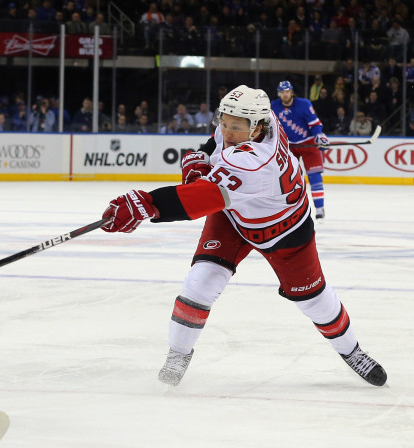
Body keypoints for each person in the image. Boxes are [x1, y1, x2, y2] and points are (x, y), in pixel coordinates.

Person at [100, 85, 387, 389]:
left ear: (257, 127)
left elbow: (197, 198)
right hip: (234, 214)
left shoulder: (253, 162)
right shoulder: (263, 117)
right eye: (223, 122)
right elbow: (215, 144)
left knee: (316, 302)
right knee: (199, 283)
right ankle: (178, 352)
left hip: (284, 229)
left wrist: (145, 204)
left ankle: (352, 351)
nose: (227, 132)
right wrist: (203, 154)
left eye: (235, 127)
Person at [271, 81, 329, 220]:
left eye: (287, 91)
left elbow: (314, 123)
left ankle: (319, 207)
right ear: (279, 93)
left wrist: (320, 136)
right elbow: (271, 127)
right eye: (282, 92)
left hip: (308, 143)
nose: (285, 94)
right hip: (289, 146)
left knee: (315, 176)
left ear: (291, 92)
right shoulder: (273, 106)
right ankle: (290, 208)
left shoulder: (304, 104)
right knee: (288, 177)